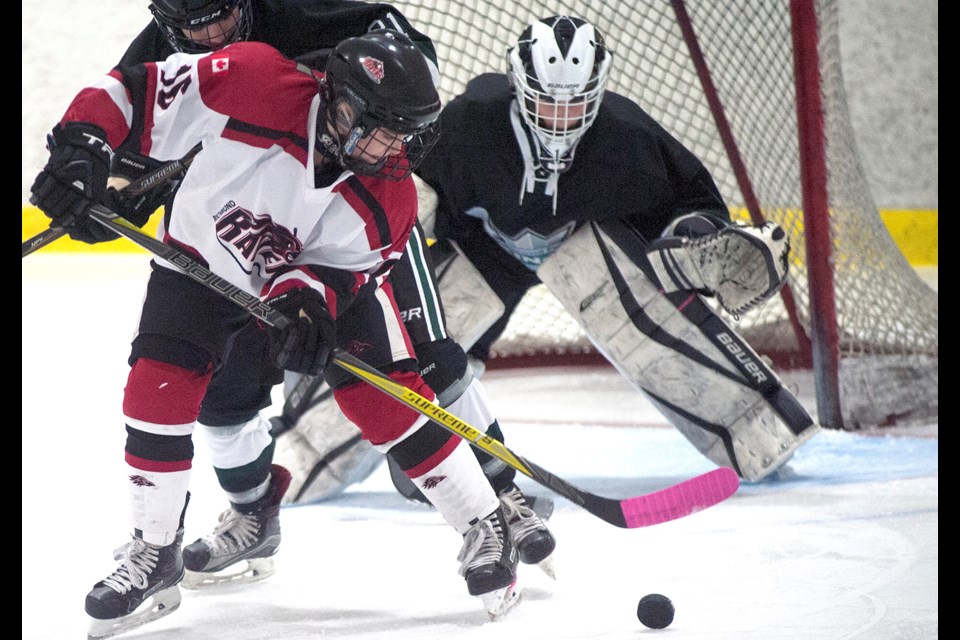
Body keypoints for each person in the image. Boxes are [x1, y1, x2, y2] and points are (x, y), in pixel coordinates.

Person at [29, 32, 522, 639]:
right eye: (381, 128)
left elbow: (339, 271)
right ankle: (155, 552)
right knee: (156, 391)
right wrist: (82, 147)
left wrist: (307, 303)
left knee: (380, 397)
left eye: (405, 134)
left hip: (311, 284)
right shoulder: (254, 81)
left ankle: (484, 519)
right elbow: (135, 94)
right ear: (339, 101)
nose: (393, 148)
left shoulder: (387, 195)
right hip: (200, 263)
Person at [282, 14, 819, 500]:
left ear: (598, 92)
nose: (561, 117)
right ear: (519, 88)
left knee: (641, 309)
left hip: (585, 244)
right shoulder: (472, 122)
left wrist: (704, 244)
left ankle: (757, 430)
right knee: (413, 336)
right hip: (485, 247)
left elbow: (688, 208)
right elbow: (402, 190)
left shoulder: (626, 137)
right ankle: (305, 452)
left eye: (575, 103)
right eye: (546, 101)